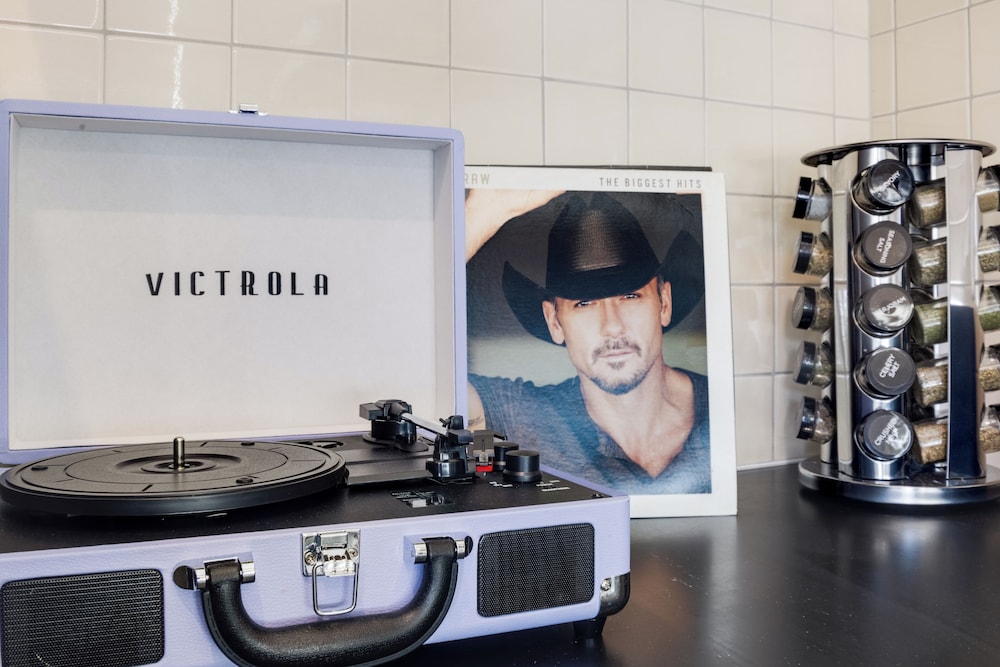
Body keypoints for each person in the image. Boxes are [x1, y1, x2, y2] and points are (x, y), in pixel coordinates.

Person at [466, 189, 711, 494]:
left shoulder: (721, 407)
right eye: (584, 303)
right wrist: (482, 212)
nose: (612, 327)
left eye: (630, 296)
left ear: (664, 303)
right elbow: (416, 376)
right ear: (554, 322)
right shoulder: (516, 416)